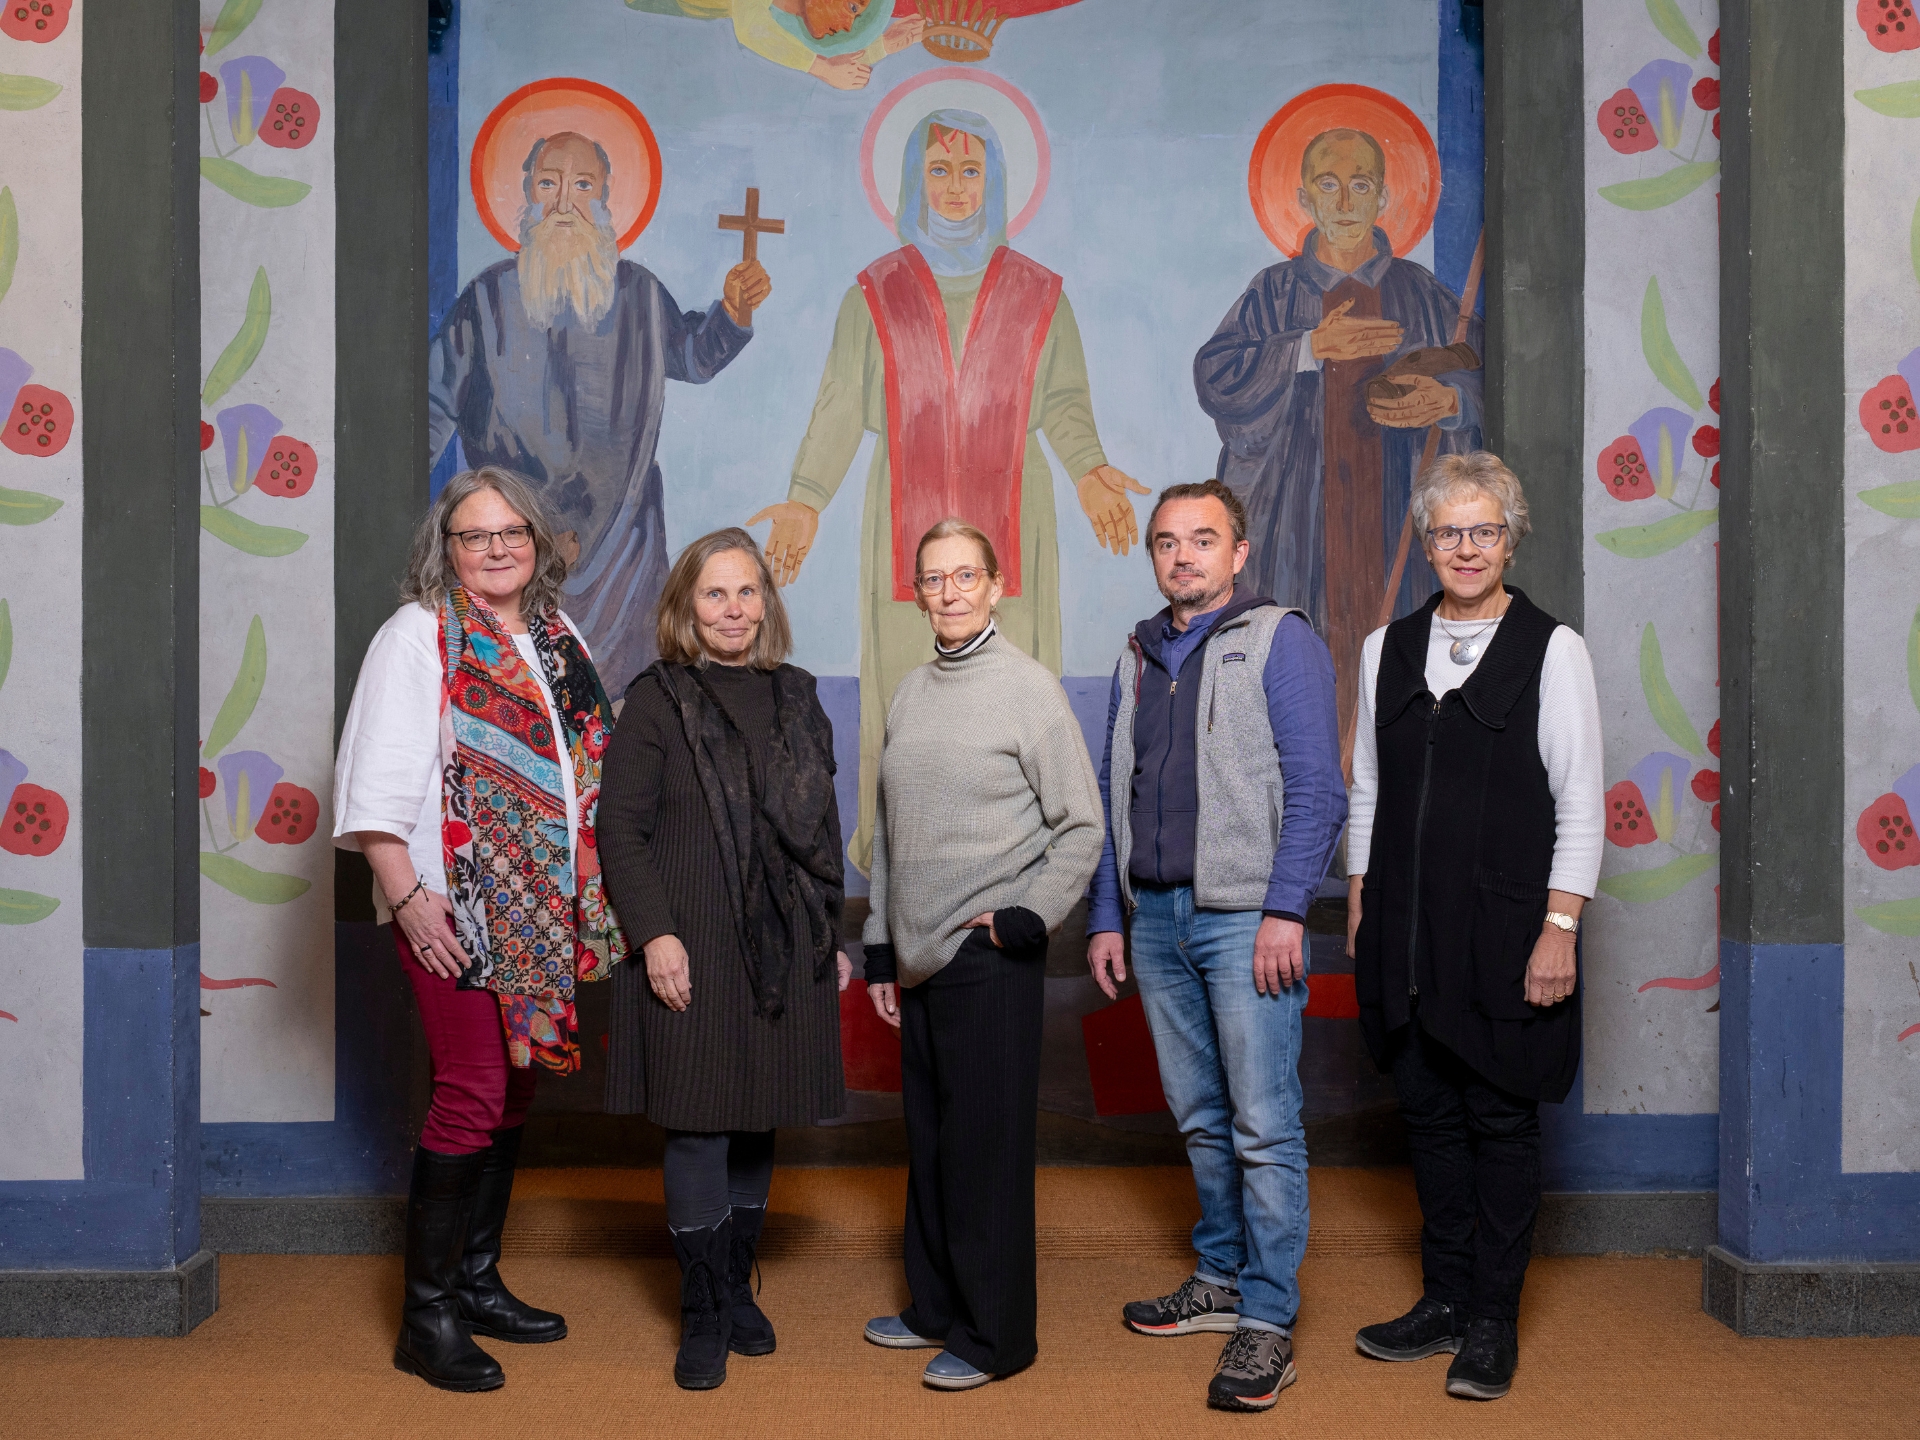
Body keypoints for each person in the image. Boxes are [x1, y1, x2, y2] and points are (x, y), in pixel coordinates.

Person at [751, 108, 1145, 873]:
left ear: (995, 181)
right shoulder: (875, 292)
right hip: (904, 517)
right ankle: (903, 856)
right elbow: (838, 406)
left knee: (1014, 689)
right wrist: (805, 497)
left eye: (971, 170)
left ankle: (1019, 856)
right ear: (913, 181)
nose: (956, 187)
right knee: (907, 686)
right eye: (939, 170)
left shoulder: (1040, 293)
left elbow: (1065, 402)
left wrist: (1091, 469)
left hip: (1013, 521)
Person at [333, 466, 628, 1393]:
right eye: (475, 535)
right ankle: (425, 1320)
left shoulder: (557, 635)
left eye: (512, 533)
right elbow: (374, 789)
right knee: (472, 1087)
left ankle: (474, 1281)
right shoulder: (416, 636)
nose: (496, 548)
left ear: (536, 542)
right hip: (451, 905)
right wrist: (409, 900)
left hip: (536, 910)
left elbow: (583, 772)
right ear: (446, 548)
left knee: (513, 1088)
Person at [1085, 478, 1347, 1414]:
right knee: (1198, 1115)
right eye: (1167, 541)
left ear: (1238, 553)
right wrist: (1107, 913)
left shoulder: (1281, 639)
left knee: (1263, 1124)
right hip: (1154, 918)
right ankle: (1220, 1278)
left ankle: (1267, 1319)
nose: (1183, 555)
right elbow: (1114, 791)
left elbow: (1318, 789)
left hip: (1247, 920)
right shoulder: (1136, 655)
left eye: (1203, 539)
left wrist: (1287, 910)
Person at [1345, 452, 1602, 1401]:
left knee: (1498, 1119)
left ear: (1510, 540)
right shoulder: (1385, 648)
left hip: (1505, 931)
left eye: (1483, 530)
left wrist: (1560, 927)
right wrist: (1362, 899)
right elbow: (1369, 788)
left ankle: (1493, 1319)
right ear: (1425, 542)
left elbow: (1581, 803)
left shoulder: (1552, 649)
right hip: (1406, 932)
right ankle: (1444, 1300)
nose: (1466, 547)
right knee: (1429, 1117)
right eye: (1448, 531)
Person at [596, 528, 851, 1391]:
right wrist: (655, 935)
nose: (734, 610)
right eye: (715, 594)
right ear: (685, 606)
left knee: (756, 1116)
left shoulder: (798, 696)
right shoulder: (657, 701)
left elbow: (820, 830)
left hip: (782, 942)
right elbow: (618, 829)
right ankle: (702, 1308)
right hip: (691, 941)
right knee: (700, 1122)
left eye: (748, 592)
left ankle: (738, 1287)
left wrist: (827, 931)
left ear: (766, 604)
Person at [859, 518, 1104, 1391]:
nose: (950, 591)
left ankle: (998, 1339)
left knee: (985, 1153)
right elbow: (890, 834)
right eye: (934, 578)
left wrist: (1025, 919)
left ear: (997, 586)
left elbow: (1081, 826)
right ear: (917, 593)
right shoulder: (910, 692)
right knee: (931, 1145)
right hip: (920, 959)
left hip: (988, 955)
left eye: (966, 576)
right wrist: (881, 951)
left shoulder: (1029, 691)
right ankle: (935, 1308)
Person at [429, 130, 769, 694]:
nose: (565, 202)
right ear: (528, 195)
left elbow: (691, 355)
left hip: (623, 555)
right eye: (549, 184)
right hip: (515, 550)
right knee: (518, 701)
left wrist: (732, 312)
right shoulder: (486, 299)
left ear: (607, 200)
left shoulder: (639, 293)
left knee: (631, 708)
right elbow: (432, 411)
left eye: (583, 185)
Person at [1194, 126, 1484, 754]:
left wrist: (1451, 401)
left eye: (1361, 185)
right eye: (1329, 185)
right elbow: (1217, 377)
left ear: (1384, 198)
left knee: (1402, 685)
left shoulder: (1421, 292)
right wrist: (1306, 347)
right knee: (1296, 685)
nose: (1346, 201)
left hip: (1395, 522)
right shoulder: (1275, 291)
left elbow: (1491, 372)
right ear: (1304, 198)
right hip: (1298, 523)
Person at [624, 0, 926, 90]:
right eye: (852, 6)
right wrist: (822, 69)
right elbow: (751, 27)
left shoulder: (783, 16)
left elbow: (802, 47)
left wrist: (882, 46)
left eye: (855, 18)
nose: (848, 25)